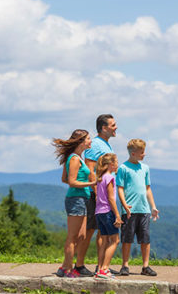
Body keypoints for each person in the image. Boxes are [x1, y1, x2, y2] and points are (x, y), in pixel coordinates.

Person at [74, 114, 118, 276]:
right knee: (91, 229)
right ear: (104, 128)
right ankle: (79, 265)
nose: (116, 128)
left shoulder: (105, 144)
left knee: (103, 232)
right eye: (113, 125)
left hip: (102, 195)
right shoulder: (96, 145)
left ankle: (101, 266)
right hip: (97, 195)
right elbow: (90, 169)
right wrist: (98, 194)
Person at [52, 129, 96, 278]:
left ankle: (64, 266)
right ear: (81, 141)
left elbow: (64, 179)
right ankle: (68, 270)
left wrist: (83, 183)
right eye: (89, 139)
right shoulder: (75, 159)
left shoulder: (76, 157)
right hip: (76, 200)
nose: (91, 141)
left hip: (81, 199)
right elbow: (71, 181)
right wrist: (91, 183)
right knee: (73, 237)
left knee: (82, 236)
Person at [117, 139, 159, 277]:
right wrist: (124, 205)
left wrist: (153, 206)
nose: (144, 154)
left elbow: (148, 189)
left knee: (145, 239)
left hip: (144, 209)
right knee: (127, 238)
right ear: (134, 153)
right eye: (142, 152)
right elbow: (120, 189)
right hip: (129, 209)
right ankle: (125, 265)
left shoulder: (145, 168)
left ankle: (145, 266)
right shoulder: (123, 168)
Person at [94, 153, 123, 279]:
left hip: (99, 212)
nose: (117, 165)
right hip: (107, 212)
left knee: (104, 241)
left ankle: (99, 269)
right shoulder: (110, 178)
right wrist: (117, 215)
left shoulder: (100, 178)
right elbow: (111, 198)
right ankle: (105, 269)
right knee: (115, 240)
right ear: (111, 164)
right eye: (116, 162)